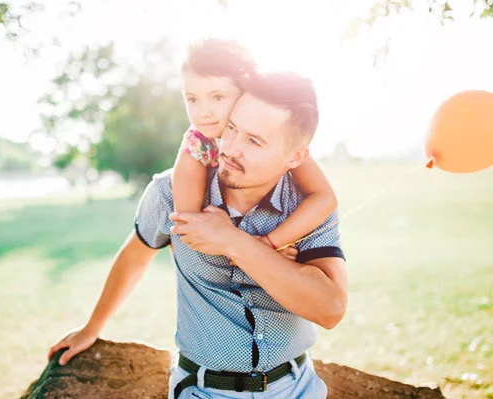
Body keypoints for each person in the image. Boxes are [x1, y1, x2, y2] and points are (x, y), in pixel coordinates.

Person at [49, 70, 347, 398]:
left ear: (296, 157)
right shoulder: (169, 192)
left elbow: (330, 309)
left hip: (295, 388)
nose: (230, 148)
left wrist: (235, 242)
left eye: (254, 141)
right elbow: (135, 256)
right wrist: (92, 328)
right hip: (202, 391)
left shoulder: (308, 207)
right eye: (232, 128)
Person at [173, 37, 337, 251]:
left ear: (245, 94)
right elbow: (187, 225)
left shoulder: (281, 144)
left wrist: (271, 244)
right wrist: (233, 243)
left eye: (218, 97)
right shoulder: (196, 143)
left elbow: (324, 198)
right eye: (192, 99)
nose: (203, 112)